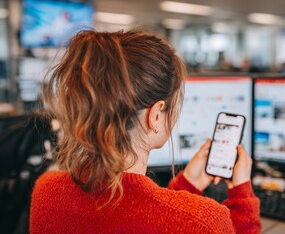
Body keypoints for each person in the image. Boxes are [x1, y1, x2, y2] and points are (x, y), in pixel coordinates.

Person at [30, 30, 260, 234]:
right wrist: (242, 194)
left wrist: (187, 184)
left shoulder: (46, 192)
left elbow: (140, 213)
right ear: (156, 115)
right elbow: (156, 217)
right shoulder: (204, 220)